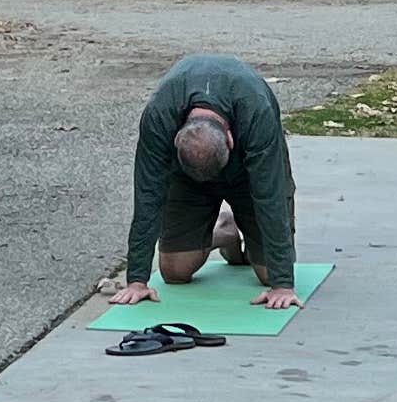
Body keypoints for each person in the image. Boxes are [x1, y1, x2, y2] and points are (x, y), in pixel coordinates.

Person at [112, 53, 299, 310]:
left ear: (231, 140)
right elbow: (148, 194)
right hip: (189, 177)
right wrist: (136, 280)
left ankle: (241, 229)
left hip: (247, 175)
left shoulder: (256, 112)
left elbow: (271, 194)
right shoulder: (159, 115)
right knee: (175, 272)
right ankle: (224, 233)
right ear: (176, 138)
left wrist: (282, 285)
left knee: (269, 273)